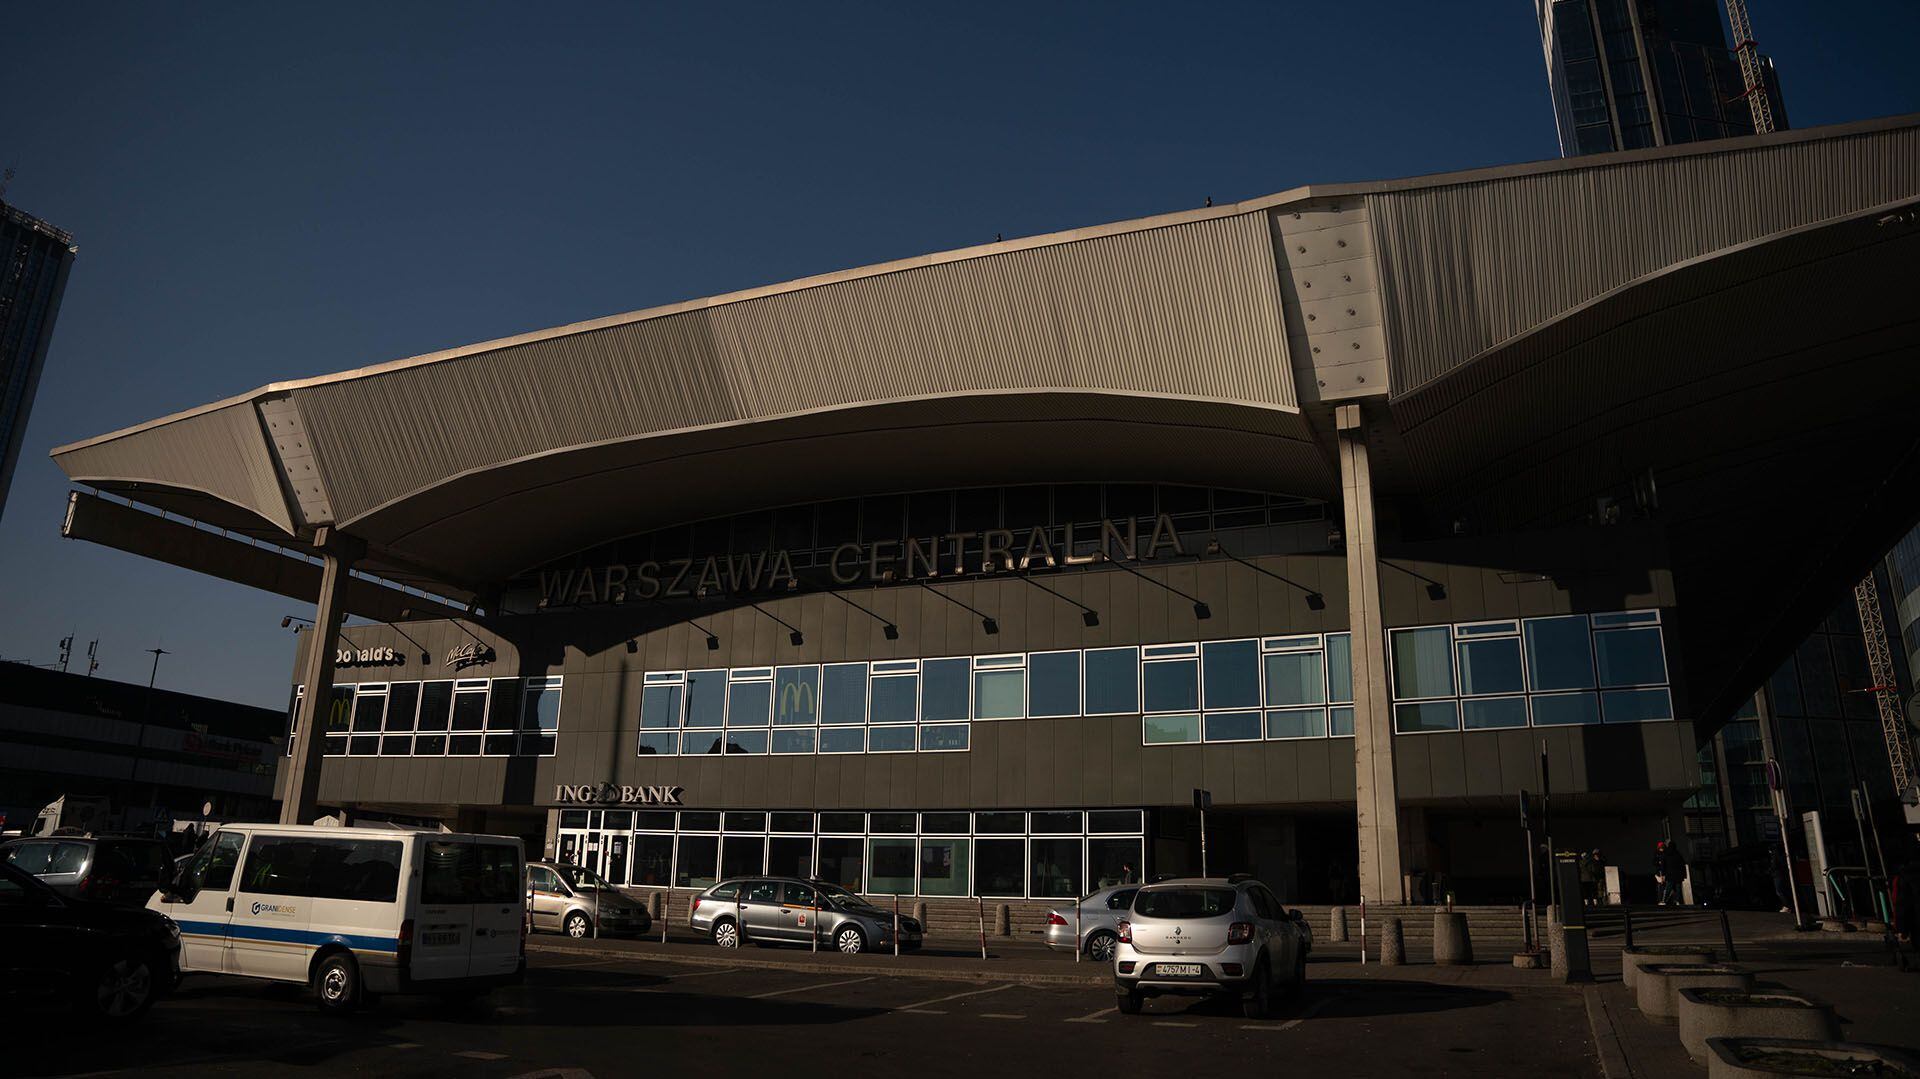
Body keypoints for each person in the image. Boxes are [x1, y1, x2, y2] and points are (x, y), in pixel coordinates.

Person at [1769, 840, 1794, 915]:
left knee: (1780, 891)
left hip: (1778, 874)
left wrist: (1770, 870)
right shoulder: (1780, 853)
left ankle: (1787, 906)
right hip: (1781, 874)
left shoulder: (1775, 854)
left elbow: (1774, 865)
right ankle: (1789, 905)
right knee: (1782, 890)